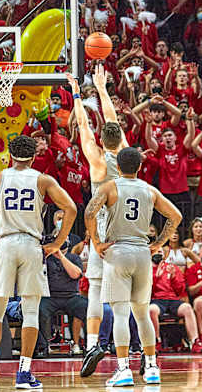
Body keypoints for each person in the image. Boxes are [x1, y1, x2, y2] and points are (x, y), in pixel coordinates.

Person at [0, 134, 77, 390]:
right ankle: (24, 373)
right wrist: (58, 243)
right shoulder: (43, 180)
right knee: (31, 312)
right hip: (31, 245)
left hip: (5, 244)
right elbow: (70, 208)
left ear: (9, 157)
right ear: (34, 157)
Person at [85, 146, 182, 386]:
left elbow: (89, 212)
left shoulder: (109, 186)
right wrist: (158, 243)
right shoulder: (150, 190)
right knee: (142, 314)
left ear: (117, 166)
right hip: (142, 252)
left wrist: (96, 242)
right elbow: (176, 216)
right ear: (140, 167)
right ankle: (151, 367)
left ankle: (123, 369)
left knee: (120, 314)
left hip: (117, 251)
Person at [68, 67, 126, 378]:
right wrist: (102, 89)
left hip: (101, 232)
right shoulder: (127, 157)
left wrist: (77, 93)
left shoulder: (98, 161)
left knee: (94, 292)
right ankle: (128, 359)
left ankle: (92, 343)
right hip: (127, 233)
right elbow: (112, 119)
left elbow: (83, 126)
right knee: (123, 301)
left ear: (101, 140)